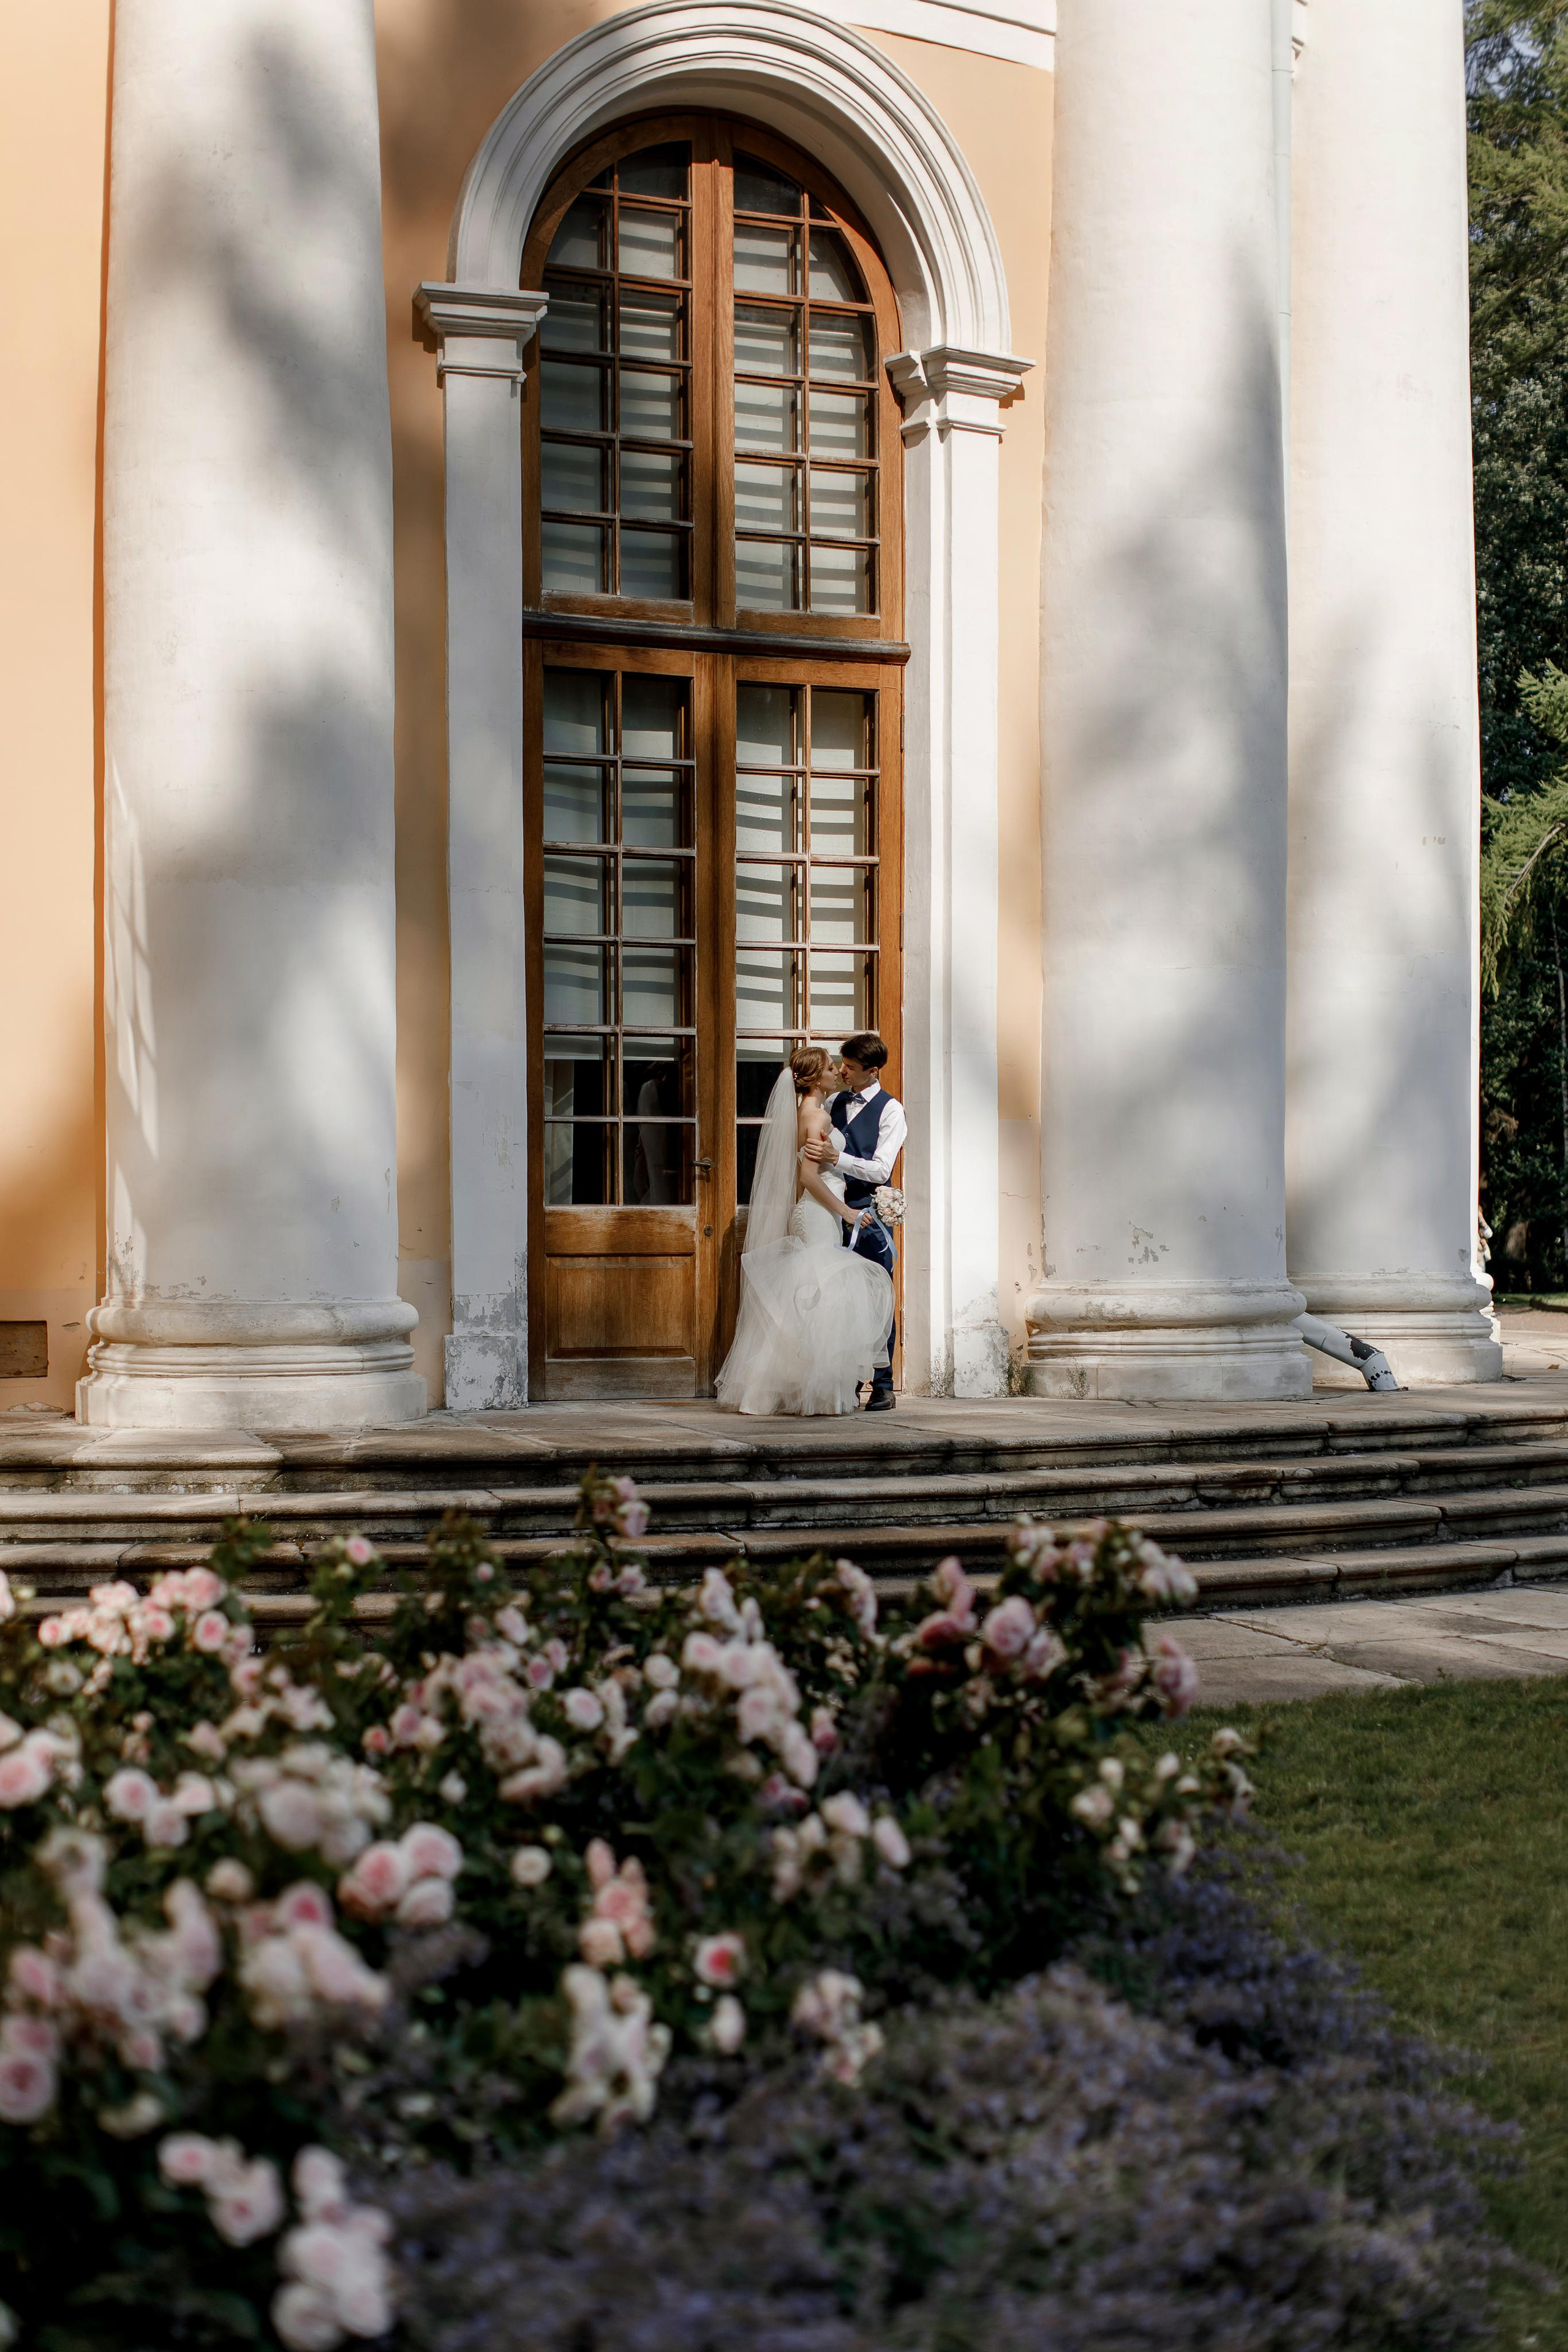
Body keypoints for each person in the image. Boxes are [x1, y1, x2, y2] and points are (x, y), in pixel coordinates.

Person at [715, 1046, 894, 1417]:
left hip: (812, 1212)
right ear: (816, 1078)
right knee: (821, 1299)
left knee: (808, 1299)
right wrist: (845, 1211)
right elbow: (809, 1177)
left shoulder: (810, 1113)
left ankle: (805, 1388)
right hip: (819, 1214)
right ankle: (819, 1392)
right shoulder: (818, 1119)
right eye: (832, 1068)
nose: (838, 1073)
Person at [801, 1030, 904, 1411]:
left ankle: (883, 1384)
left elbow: (881, 1169)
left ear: (872, 1072)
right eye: (841, 1064)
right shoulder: (833, 1101)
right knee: (840, 1300)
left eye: (850, 1067)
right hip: (832, 1209)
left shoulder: (892, 1111)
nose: (842, 1071)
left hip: (870, 1214)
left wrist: (836, 1158)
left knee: (877, 1296)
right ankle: (845, 1380)